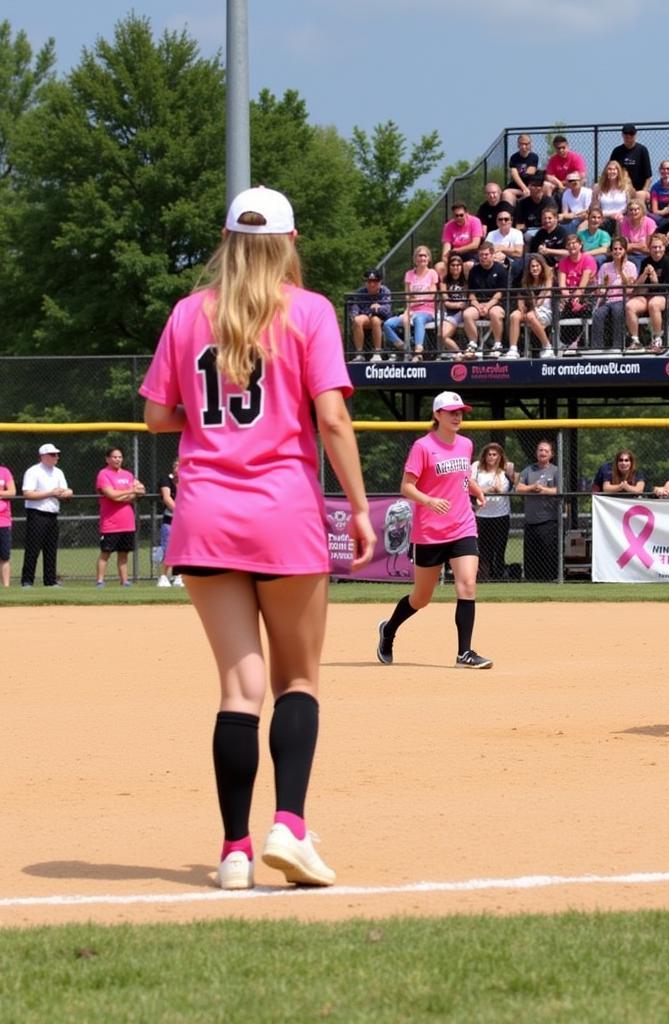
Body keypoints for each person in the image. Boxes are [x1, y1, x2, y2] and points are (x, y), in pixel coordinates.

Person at [140, 185, 375, 890]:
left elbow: (156, 417)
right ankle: (290, 828)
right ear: (291, 243)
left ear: (227, 241)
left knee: (238, 689)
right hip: (283, 512)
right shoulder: (309, 311)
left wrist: (214, 431)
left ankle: (236, 850)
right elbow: (332, 419)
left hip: (206, 512)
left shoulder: (188, 313)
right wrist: (361, 507)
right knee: (297, 679)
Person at [376, 391, 491, 669]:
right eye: (451, 411)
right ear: (437, 414)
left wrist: (473, 487)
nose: (457, 415)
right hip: (430, 531)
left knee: (468, 585)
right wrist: (428, 500)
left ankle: (464, 653)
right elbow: (406, 486)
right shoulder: (423, 446)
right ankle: (388, 630)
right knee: (421, 598)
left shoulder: (465, 444)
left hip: (462, 525)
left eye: (460, 410)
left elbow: (462, 475)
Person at [20, 443, 73, 588]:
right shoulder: (33, 471)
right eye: (52, 454)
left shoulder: (58, 472)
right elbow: (28, 493)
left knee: (51, 549)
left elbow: (63, 491)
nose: (56, 457)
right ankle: (27, 581)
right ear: (43, 456)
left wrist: (68, 493)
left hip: (52, 513)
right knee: (33, 549)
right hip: (37, 514)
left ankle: (50, 581)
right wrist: (50, 493)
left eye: (57, 454)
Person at [95, 446, 145, 588]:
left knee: (124, 554)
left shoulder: (128, 475)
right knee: (106, 553)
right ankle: (100, 581)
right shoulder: (103, 474)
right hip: (110, 522)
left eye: (120, 457)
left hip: (128, 522)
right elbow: (111, 495)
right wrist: (130, 492)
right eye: (114, 457)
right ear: (107, 459)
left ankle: (125, 581)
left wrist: (125, 494)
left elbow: (141, 490)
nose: (117, 459)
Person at [383, 246, 439, 361]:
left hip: (427, 310)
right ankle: (405, 348)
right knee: (388, 324)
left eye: (425, 255)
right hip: (412, 310)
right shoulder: (409, 274)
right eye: (420, 255)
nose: (422, 258)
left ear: (429, 259)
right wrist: (407, 310)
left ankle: (418, 352)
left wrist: (416, 298)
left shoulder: (432, 273)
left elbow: (431, 295)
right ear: (415, 259)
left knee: (418, 318)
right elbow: (407, 296)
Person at [516, 440, 561, 581]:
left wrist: (543, 490)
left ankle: (549, 579)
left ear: (551, 454)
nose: (543, 453)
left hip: (548, 520)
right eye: (540, 450)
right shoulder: (529, 470)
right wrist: (531, 488)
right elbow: (518, 488)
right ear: (536, 453)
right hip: (530, 519)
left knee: (547, 552)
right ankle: (531, 580)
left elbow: (559, 490)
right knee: (531, 553)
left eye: (546, 451)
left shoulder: (556, 471)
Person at [626, 233, 669, 353]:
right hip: (647, 295)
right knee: (630, 306)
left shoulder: (668, 262)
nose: (657, 250)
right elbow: (638, 287)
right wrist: (644, 275)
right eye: (654, 247)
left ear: (664, 247)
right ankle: (635, 340)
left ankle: (658, 340)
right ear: (650, 248)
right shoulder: (645, 262)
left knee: (654, 304)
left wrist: (655, 281)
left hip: (665, 296)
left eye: (659, 247)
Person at [472, 442, 515, 581]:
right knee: (484, 549)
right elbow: (469, 486)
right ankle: (484, 576)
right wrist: (486, 490)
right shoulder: (478, 470)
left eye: (495, 454)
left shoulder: (504, 472)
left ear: (499, 456)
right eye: (489, 454)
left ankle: (498, 576)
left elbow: (509, 487)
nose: (491, 457)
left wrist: (500, 487)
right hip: (482, 514)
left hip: (501, 514)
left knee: (499, 548)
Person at [591, 237, 637, 351]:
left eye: (620, 249)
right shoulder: (605, 267)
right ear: (611, 251)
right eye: (615, 249)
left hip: (623, 300)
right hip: (608, 300)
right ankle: (597, 347)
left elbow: (630, 289)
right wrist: (602, 289)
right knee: (598, 314)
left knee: (617, 311)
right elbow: (600, 287)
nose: (617, 251)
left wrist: (622, 271)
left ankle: (618, 345)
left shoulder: (631, 266)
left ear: (625, 250)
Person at [464, 242, 509, 358]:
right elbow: (471, 293)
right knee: (467, 314)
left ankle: (498, 344)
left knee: (495, 313)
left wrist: (488, 306)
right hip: (478, 304)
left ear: (492, 254)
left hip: (495, 304)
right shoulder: (474, 270)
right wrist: (477, 305)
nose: (483, 257)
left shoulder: (500, 270)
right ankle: (473, 344)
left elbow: (500, 293)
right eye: (481, 255)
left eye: (486, 254)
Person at [556, 234, 597, 353]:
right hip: (569, 295)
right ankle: (565, 343)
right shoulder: (563, 262)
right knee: (561, 309)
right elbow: (562, 285)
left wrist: (576, 297)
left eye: (574, 243)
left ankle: (579, 343)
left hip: (586, 294)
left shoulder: (588, 259)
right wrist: (567, 297)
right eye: (569, 244)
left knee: (582, 310)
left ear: (580, 245)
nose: (571, 246)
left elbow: (583, 285)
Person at [508, 254, 555, 358]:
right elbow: (522, 295)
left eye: (537, 266)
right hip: (531, 309)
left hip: (545, 310)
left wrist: (533, 305)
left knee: (530, 316)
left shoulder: (548, 278)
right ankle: (513, 349)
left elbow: (543, 296)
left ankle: (547, 347)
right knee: (514, 315)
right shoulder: (527, 281)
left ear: (541, 266)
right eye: (532, 266)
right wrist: (520, 303)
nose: (534, 268)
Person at [347, 269, 392, 362]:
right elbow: (355, 306)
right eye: (369, 281)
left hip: (381, 318)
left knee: (375, 319)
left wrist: (378, 308)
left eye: (375, 281)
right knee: (357, 320)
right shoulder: (360, 292)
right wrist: (354, 315)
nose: (372, 284)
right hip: (366, 316)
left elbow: (387, 310)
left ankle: (377, 353)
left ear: (380, 282)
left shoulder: (385, 291)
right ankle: (359, 354)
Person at [439, 253, 473, 358]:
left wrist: (457, 305)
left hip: (462, 312)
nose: (455, 267)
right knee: (442, 336)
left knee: (444, 335)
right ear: (449, 266)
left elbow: (466, 301)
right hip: (449, 312)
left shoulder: (466, 281)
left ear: (461, 266)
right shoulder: (444, 281)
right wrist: (456, 304)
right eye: (453, 265)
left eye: (458, 265)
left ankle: (461, 353)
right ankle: (460, 353)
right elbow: (446, 301)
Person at [608, 124, 653, 200]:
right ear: (622, 135)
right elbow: (610, 170)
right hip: (621, 190)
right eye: (626, 134)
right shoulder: (617, 151)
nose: (628, 137)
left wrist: (643, 191)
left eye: (631, 134)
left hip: (638, 190)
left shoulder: (642, 150)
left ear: (635, 135)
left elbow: (648, 177)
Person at [438, 201, 485, 270]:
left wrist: (458, 250)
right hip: (455, 256)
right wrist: (446, 261)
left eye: (461, 215)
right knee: (439, 267)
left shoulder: (475, 221)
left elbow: (475, 244)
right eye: (456, 215)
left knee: (468, 265)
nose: (459, 218)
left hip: (472, 253)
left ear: (466, 213)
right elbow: (446, 249)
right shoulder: (448, 226)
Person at [157, 458, 181, 587]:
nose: (179, 468)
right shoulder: (166, 479)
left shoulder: (188, 480)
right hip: (171, 520)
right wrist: (181, 513)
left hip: (185, 522)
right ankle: (163, 576)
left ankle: (177, 576)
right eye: (177, 465)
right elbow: (167, 498)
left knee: (181, 550)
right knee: (169, 549)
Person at [593, 160, 635, 232]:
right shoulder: (598, 188)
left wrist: (622, 214)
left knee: (621, 223)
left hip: (622, 216)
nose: (612, 171)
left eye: (615, 169)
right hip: (604, 217)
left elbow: (631, 205)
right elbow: (595, 208)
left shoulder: (626, 187)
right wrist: (609, 215)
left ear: (618, 172)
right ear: (606, 172)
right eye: (609, 169)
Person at [485, 209, 525, 281]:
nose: (503, 222)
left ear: (511, 221)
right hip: (495, 259)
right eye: (500, 219)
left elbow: (519, 252)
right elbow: (486, 250)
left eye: (506, 219)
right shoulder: (491, 234)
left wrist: (502, 249)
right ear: (497, 222)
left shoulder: (517, 233)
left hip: (513, 261)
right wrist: (497, 255)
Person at [620, 199, 658, 271]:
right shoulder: (624, 223)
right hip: (630, 255)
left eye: (637, 209)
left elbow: (647, 248)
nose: (633, 212)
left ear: (642, 210)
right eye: (631, 210)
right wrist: (639, 246)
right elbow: (625, 246)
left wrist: (631, 246)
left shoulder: (649, 223)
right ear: (627, 212)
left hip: (646, 256)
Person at [503, 133, 541, 205]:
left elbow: (530, 173)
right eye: (521, 144)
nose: (524, 146)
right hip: (517, 187)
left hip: (530, 187)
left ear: (530, 145)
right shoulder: (513, 157)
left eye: (526, 144)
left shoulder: (534, 157)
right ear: (518, 145)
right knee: (505, 193)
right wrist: (523, 188)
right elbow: (514, 174)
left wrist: (526, 188)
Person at [0, 458, 14, 587]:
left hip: (3, 521)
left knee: (4, 556)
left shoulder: (4, 472)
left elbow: (12, 492)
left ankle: (6, 587)